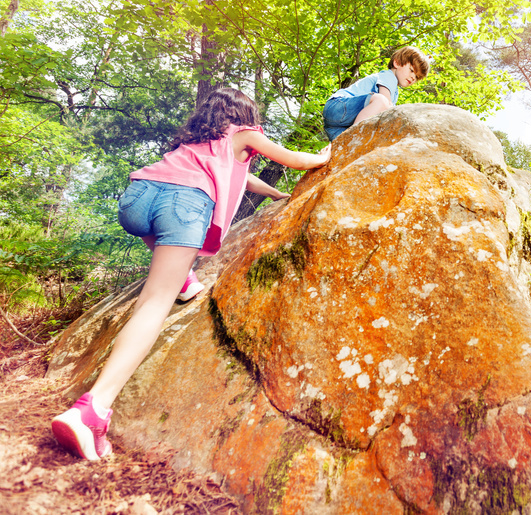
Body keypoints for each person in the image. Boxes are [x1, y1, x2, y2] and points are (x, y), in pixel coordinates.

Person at [51, 87, 330, 461]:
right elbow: (295, 159)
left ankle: (182, 278)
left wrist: (277, 196)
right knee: (153, 303)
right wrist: (324, 155)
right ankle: (93, 410)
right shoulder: (244, 133)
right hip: (181, 204)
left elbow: (244, 179)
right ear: (245, 116)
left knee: (164, 245)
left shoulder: (201, 142)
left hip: (136, 199)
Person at [322, 46, 430, 141]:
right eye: (411, 70)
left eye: (417, 77)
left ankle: (349, 141)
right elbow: (386, 106)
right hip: (338, 106)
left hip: (338, 126)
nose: (413, 77)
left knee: (351, 146)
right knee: (383, 102)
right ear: (396, 63)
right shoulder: (389, 76)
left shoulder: (395, 92)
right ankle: (354, 136)